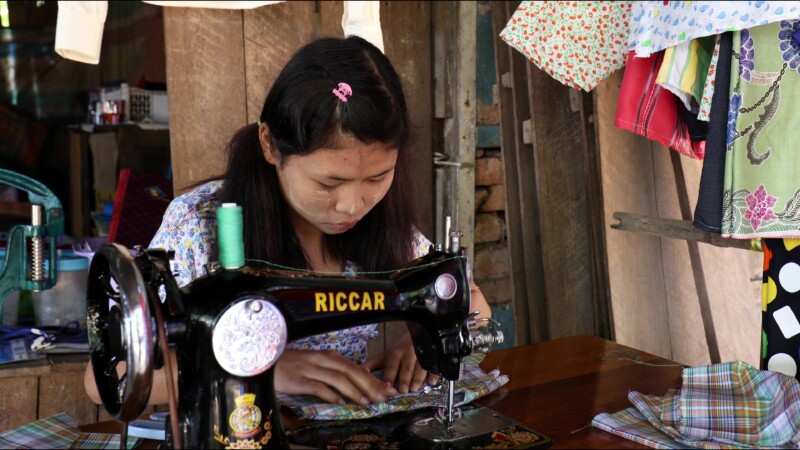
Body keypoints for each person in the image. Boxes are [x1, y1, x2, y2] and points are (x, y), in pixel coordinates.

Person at [85, 35, 490, 407]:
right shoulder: (199, 227)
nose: (352, 205)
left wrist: (422, 340)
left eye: (378, 177)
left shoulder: (383, 222)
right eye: (329, 182)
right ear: (270, 145)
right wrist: (261, 370)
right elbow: (107, 376)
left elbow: (470, 303)